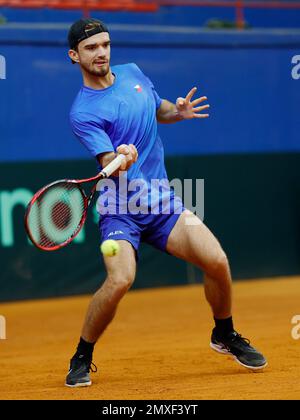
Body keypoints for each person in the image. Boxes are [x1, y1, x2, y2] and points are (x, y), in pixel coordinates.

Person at [65, 18, 267, 388]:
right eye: (91, 48)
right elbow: (107, 168)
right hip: (120, 209)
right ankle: (82, 354)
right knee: (121, 279)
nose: (101, 53)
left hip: (163, 204)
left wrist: (179, 111)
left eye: (105, 45)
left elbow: (159, 110)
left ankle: (224, 333)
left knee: (217, 261)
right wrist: (120, 158)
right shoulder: (83, 112)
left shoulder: (133, 73)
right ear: (74, 55)